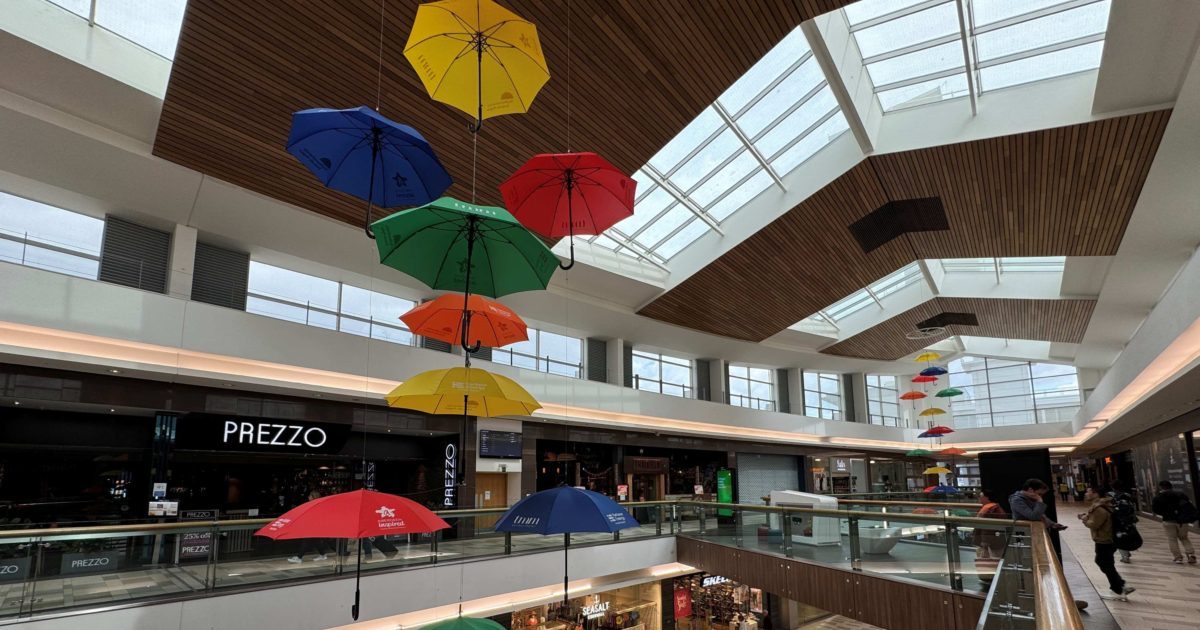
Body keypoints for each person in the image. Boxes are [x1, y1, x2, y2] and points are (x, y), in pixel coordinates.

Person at [1078, 484, 1135, 598]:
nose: (1086, 493)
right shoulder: (1106, 504)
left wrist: (1084, 519)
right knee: (1105, 563)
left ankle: (1119, 587)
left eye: (1088, 491)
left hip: (1104, 539)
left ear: (1095, 494)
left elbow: (1095, 524)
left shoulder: (1099, 508)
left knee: (1103, 562)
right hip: (1110, 538)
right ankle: (1119, 586)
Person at [1151, 480, 1197, 564]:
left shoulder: (1158, 497)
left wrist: (1165, 513)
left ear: (1161, 487)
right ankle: (1191, 555)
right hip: (1182, 521)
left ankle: (1178, 557)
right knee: (1184, 538)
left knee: (1172, 539)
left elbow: (1155, 509)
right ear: (1171, 486)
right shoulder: (1180, 494)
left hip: (1168, 521)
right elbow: (1189, 506)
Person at [973, 489, 1008, 583]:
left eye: (981, 496)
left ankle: (993, 579)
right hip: (995, 541)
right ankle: (994, 579)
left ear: (987, 497)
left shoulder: (989, 509)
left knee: (993, 560)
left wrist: (984, 542)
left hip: (991, 542)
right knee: (994, 559)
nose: (979, 498)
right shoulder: (993, 508)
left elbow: (986, 528)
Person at [1108, 480, 1137, 564]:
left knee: (1120, 538)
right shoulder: (1128, 495)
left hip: (1119, 520)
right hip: (1130, 520)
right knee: (1128, 536)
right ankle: (1126, 552)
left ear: (1113, 487)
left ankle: (1125, 556)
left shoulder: (1111, 496)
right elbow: (1133, 506)